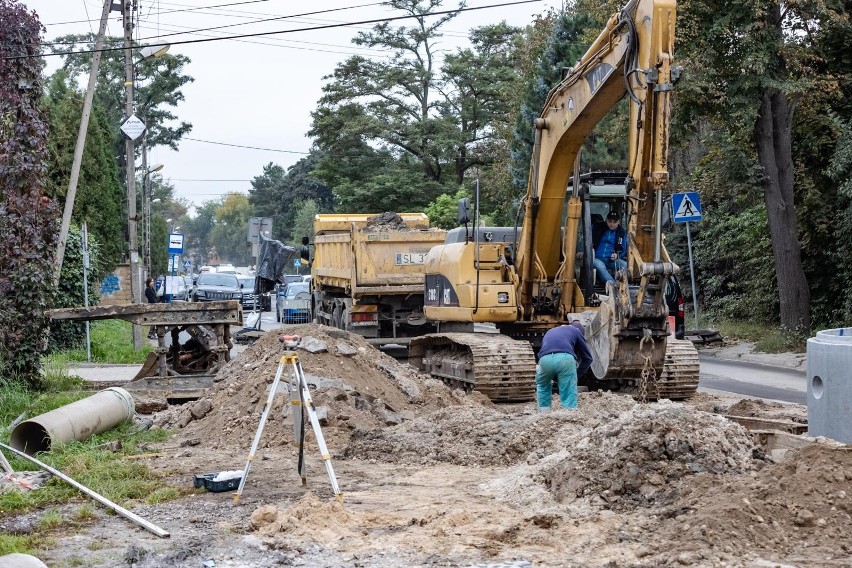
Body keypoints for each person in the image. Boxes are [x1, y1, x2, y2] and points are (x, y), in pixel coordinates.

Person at [535, 321, 593, 412]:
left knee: (543, 385)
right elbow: (588, 358)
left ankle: (543, 413)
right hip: (565, 359)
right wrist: (576, 375)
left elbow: (546, 352)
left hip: (544, 359)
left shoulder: (550, 331)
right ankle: (569, 413)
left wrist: (554, 375)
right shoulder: (576, 331)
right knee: (568, 389)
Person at [592, 210, 627, 286]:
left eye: (614, 222)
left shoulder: (621, 232)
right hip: (596, 258)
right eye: (610, 221)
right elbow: (584, 239)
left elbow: (623, 250)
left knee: (625, 265)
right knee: (601, 267)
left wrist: (617, 255)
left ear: (619, 222)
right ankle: (614, 287)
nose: (612, 224)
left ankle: (625, 287)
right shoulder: (596, 228)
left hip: (611, 261)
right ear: (606, 220)